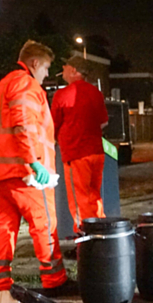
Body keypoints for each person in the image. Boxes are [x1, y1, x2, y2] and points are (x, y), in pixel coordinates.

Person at [0, 40, 75, 297]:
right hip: (25, 173)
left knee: (4, 225)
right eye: (47, 68)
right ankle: (55, 280)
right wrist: (34, 163)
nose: (47, 75)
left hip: (1, 174)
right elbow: (24, 125)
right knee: (44, 223)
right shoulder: (25, 84)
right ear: (35, 63)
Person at [51, 56, 109, 231]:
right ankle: (101, 230)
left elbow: (52, 125)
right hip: (96, 152)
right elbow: (103, 122)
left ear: (74, 71)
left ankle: (85, 236)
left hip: (75, 154)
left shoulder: (62, 95)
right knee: (94, 196)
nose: (63, 67)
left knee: (79, 198)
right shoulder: (95, 92)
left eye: (66, 66)